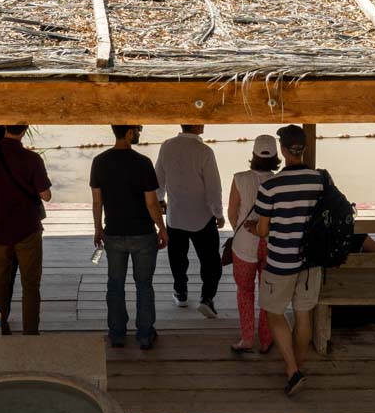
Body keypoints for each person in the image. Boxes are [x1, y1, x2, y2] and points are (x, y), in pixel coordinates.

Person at [254, 124, 323, 396]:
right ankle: (298, 364)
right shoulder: (320, 180)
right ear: (303, 148)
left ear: (282, 150)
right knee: (303, 314)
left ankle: (292, 369)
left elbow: (262, 230)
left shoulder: (270, 185)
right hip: (310, 261)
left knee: (274, 313)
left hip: (281, 260)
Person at [0, 124, 52, 335]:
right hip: (28, 228)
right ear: (25, 130)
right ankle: (31, 332)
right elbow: (46, 195)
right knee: (31, 285)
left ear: (5, 126)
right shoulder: (33, 159)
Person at [92, 125, 168, 349]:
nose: (138, 132)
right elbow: (152, 203)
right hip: (143, 234)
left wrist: (98, 229)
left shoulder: (99, 162)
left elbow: (97, 201)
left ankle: (116, 334)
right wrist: (162, 229)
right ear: (128, 133)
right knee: (144, 284)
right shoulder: (142, 162)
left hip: (113, 233)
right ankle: (144, 334)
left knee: (115, 284)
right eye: (136, 129)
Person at [156, 124, 224, 318]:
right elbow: (213, 188)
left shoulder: (166, 146)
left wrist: (160, 200)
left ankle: (181, 292)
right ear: (196, 126)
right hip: (202, 216)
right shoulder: (205, 151)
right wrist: (218, 213)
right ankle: (207, 298)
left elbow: (158, 179)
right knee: (210, 261)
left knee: (178, 258)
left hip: (175, 215)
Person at [228, 134, 281, 354]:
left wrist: (241, 233)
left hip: (243, 245)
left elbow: (232, 214)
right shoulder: (280, 181)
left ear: (253, 155)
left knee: (244, 291)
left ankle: (247, 338)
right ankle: (266, 339)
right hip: (272, 245)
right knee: (268, 293)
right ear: (276, 157)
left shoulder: (239, 178)